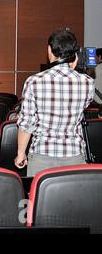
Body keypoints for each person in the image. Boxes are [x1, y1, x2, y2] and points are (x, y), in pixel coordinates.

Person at [15, 29, 94, 177]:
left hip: (42, 155)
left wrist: (21, 154)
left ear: (49, 50)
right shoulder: (87, 83)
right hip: (74, 155)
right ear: (74, 55)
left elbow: (27, 124)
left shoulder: (34, 81)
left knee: (41, 199)